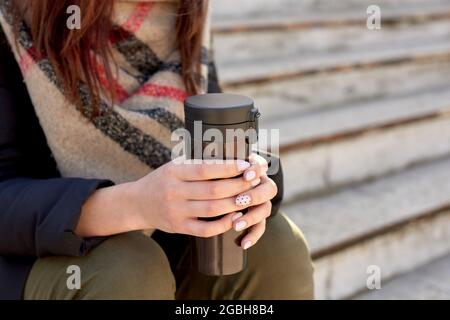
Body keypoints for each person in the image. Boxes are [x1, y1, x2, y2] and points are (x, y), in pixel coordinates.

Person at [0, 0, 314, 300]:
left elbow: (213, 138)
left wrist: (246, 182)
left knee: (271, 245)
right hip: (29, 256)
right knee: (127, 269)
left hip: (160, 241)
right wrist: (135, 204)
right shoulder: (14, 15)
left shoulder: (183, 11)